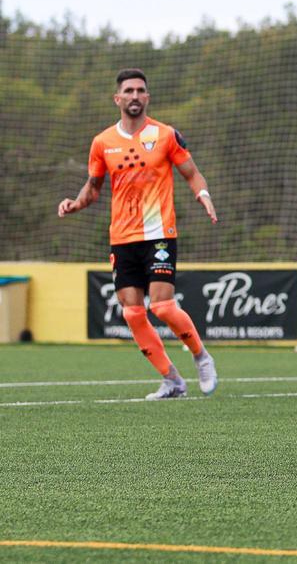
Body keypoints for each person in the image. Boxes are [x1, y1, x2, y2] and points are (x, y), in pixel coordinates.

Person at [58, 68, 219, 400]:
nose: (134, 95)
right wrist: (75, 204)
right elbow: (94, 186)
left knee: (161, 306)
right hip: (122, 236)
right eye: (128, 90)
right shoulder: (102, 142)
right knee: (131, 312)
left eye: (140, 90)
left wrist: (203, 196)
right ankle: (172, 380)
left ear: (147, 97)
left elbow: (193, 174)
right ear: (118, 98)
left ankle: (201, 356)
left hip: (159, 232)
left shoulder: (165, 135)